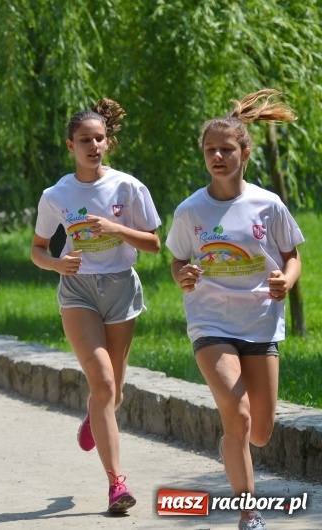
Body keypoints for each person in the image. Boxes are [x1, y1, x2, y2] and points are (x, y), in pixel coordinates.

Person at [165, 89, 303, 530]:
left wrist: (288, 279)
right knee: (238, 413)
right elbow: (177, 259)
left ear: (245, 152)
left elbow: (293, 256)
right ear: (203, 155)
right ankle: (249, 513)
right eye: (210, 150)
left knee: (258, 431)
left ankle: (233, 442)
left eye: (227, 149)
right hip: (211, 322)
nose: (218, 156)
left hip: (261, 322)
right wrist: (182, 274)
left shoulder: (268, 204)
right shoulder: (191, 210)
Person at [30, 97, 161, 514]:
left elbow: (156, 244)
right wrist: (55, 263)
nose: (93, 146)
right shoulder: (56, 195)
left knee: (113, 393)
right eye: (84, 139)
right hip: (78, 290)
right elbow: (37, 249)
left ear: (108, 142)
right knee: (103, 384)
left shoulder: (128, 187)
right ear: (70, 145)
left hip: (121, 288)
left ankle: (94, 416)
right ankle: (117, 484)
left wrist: (115, 228)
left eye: (99, 138)